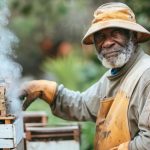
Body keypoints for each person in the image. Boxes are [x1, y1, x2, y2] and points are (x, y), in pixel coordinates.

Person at [20, 2, 150, 150]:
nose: (107, 43)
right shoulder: (114, 75)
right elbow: (82, 105)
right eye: (101, 37)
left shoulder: (146, 75)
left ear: (132, 36)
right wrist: (44, 89)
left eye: (115, 34)